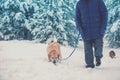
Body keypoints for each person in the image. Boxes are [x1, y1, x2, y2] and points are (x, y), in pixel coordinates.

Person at [75, 0, 108, 68]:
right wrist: (80, 28)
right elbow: (77, 18)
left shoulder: (99, 1)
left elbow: (104, 14)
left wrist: (103, 28)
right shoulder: (79, 4)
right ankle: (90, 65)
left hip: (98, 30)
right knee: (87, 50)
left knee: (98, 47)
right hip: (85, 31)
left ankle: (98, 58)